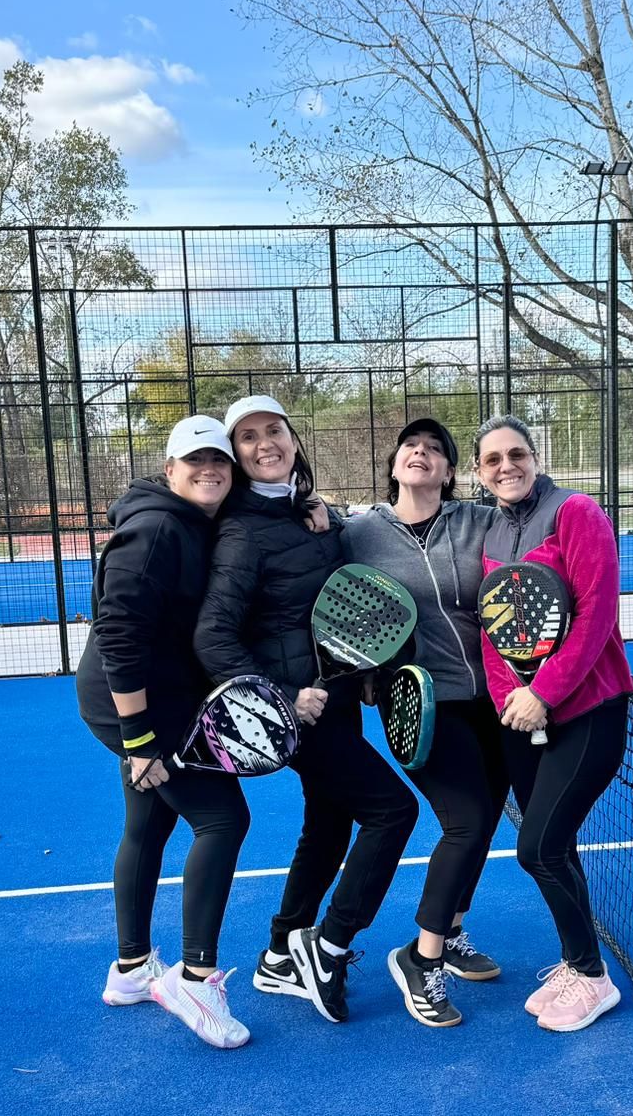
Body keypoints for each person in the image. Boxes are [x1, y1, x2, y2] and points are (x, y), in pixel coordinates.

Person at [194, 395, 419, 1025]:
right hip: (300, 711)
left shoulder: (304, 511)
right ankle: (329, 945)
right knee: (392, 811)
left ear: (294, 439)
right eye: (248, 438)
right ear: (235, 456)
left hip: (338, 697)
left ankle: (279, 950)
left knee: (329, 822)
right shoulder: (240, 532)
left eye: (275, 431)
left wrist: (366, 673)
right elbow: (213, 637)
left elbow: (337, 600)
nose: (265, 443)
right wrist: (283, 697)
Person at [75, 415, 251, 1049]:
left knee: (149, 822)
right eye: (195, 460)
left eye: (220, 462)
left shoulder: (193, 522)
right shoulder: (154, 530)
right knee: (223, 820)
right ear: (170, 470)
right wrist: (140, 739)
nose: (210, 470)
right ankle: (197, 978)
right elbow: (118, 634)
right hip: (133, 703)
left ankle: (130, 969)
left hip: (154, 698)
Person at [342, 418, 508, 1029]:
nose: (422, 453)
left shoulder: (477, 522)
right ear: (393, 466)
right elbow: (329, 599)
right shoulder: (355, 531)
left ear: (449, 470)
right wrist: (359, 672)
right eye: (412, 446)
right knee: (464, 822)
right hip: (418, 701)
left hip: (492, 698)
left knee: (488, 818)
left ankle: (455, 927)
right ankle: (423, 957)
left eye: (436, 449)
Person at [474, 414, 633, 1033]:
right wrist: (511, 697)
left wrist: (544, 692)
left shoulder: (578, 513)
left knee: (537, 846)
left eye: (517, 454)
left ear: (535, 458)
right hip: (522, 715)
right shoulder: (490, 528)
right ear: (480, 473)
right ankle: (575, 960)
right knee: (555, 846)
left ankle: (592, 976)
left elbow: (596, 615)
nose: (506, 466)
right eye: (493, 459)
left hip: (588, 710)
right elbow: (492, 627)